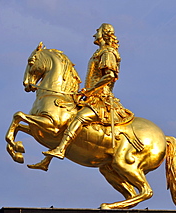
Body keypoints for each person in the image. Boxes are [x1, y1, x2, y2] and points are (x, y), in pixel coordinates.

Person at [43, 23, 134, 159]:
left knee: (78, 118)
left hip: (102, 100)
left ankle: (61, 150)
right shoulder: (98, 52)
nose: (94, 34)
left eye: (97, 31)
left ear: (104, 34)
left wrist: (90, 90)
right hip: (91, 98)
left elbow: (110, 76)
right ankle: (47, 159)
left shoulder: (108, 52)